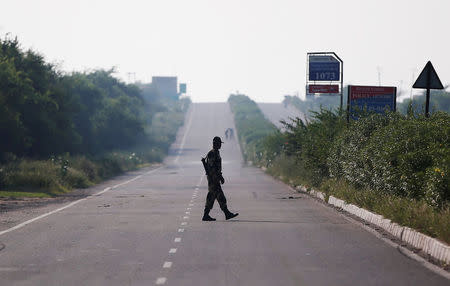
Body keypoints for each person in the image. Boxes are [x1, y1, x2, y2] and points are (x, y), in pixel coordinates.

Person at [201, 136, 239, 221]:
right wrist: (220, 177)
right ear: (216, 144)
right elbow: (212, 168)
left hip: (215, 179)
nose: (220, 145)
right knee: (218, 196)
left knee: (214, 197)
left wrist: (219, 176)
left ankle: (223, 214)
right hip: (213, 179)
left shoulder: (216, 152)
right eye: (219, 143)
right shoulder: (212, 153)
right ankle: (226, 213)